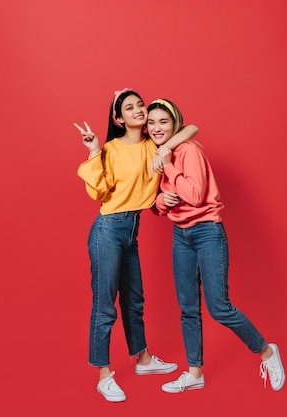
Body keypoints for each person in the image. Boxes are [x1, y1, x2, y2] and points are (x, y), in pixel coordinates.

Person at [146, 98, 286, 393]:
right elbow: (158, 202)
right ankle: (195, 373)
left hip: (207, 232)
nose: (157, 128)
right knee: (187, 308)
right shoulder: (159, 155)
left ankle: (267, 352)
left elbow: (196, 196)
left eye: (163, 122)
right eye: (152, 122)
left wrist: (170, 168)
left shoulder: (188, 151)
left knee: (219, 307)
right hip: (180, 235)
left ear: (175, 124)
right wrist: (161, 201)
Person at [74, 89, 199, 402]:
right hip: (109, 229)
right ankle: (104, 375)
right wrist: (93, 151)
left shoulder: (153, 144)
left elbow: (191, 128)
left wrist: (164, 148)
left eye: (140, 104)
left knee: (134, 299)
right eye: (129, 107)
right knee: (105, 305)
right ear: (118, 118)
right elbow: (98, 193)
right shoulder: (111, 149)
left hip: (132, 230)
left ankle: (142, 360)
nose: (138, 110)